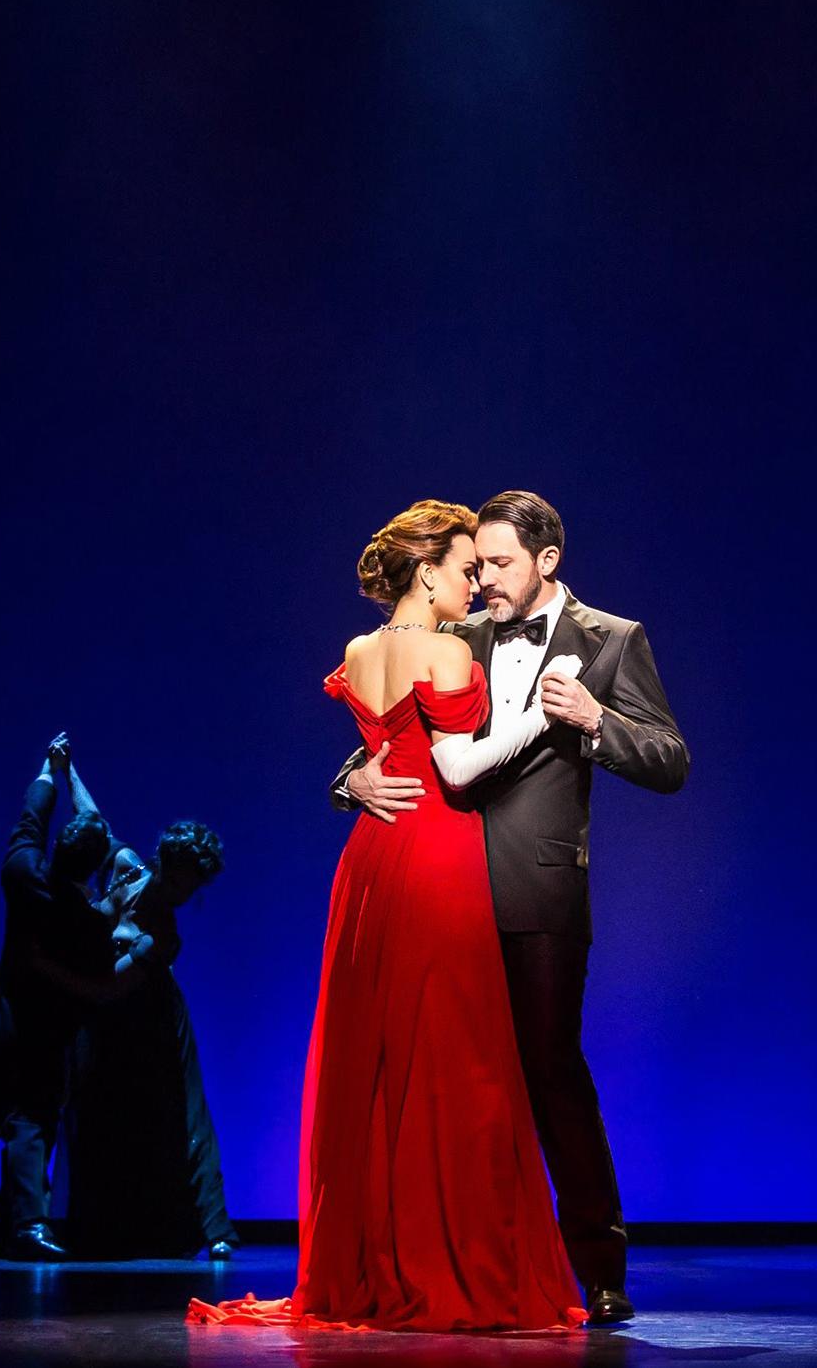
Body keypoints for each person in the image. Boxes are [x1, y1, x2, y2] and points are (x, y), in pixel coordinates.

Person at [191, 499, 586, 1333]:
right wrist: (544, 715)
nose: (474, 582)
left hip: (371, 865)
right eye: (464, 568)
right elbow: (458, 764)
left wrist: (354, 782)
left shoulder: (359, 650)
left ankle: (371, 1258)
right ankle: (450, 1265)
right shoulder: (443, 650)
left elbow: (382, 751)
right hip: (438, 859)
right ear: (425, 571)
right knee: (456, 1064)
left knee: (376, 1065)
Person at [331, 491, 686, 1326]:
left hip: (536, 890)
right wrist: (348, 781)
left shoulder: (612, 639)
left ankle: (599, 1270)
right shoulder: (461, 633)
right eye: (477, 563)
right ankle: (468, 1261)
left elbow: (671, 759)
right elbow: (398, 726)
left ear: (547, 561)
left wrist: (598, 721)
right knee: (460, 1084)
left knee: (549, 1071)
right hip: (443, 887)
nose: (485, 577)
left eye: (500, 564)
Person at [0, 734, 117, 1262]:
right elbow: (104, 836)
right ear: (95, 867)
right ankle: (27, 1225)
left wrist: (52, 769)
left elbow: (31, 815)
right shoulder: (90, 919)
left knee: (21, 1123)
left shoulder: (23, 872)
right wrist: (74, 776)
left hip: (3, 1021)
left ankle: (11, 1229)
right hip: (44, 1033)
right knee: (30, 1121)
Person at [60, 821, 238, 1260]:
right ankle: (106, 1227)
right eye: (180, 881)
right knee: (104, 1117)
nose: (183, 894)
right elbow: (94, 817)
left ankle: (198, 1226)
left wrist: (47, 971)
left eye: (192, 887)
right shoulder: (127, 867)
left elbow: (105, 991)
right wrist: (64, 771)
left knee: (173, 1116)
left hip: (149, 1024)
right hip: (109, 1026)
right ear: (164, 864)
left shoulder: (164, 937)